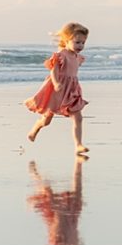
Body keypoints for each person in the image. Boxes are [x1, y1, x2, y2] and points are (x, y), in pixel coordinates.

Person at [24, 22, 89, 154]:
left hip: (71, 90)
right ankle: (35, 129)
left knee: (78, 117)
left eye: (83, 43)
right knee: (47, 119)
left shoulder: (77, 57)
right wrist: (56, 83)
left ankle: (78, 145)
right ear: (66, 40)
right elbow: (54, 70)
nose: (80, 46)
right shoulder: (61, 54)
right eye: (77, 42)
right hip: (57, 89)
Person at [27, 158, 88, 245]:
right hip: (67, 215)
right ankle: (35, 174)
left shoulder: (58, 243)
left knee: (47, 191)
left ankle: (34, 173)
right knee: (70, 193)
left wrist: (55, 204)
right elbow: (60, 220)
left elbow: (57, 221)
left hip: (63, 215)